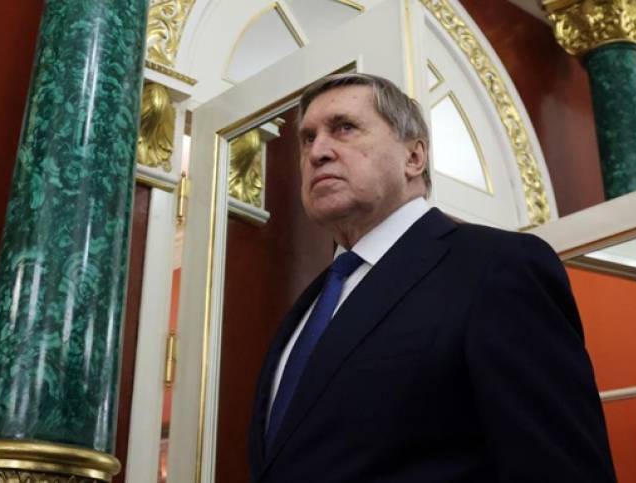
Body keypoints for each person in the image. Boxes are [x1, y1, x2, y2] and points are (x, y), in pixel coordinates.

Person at [247, 73, 616, 482]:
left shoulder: (497, 266)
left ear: (414, 157)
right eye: (307, 138)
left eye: (344, 128)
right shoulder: (312, 305)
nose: (317, 152)